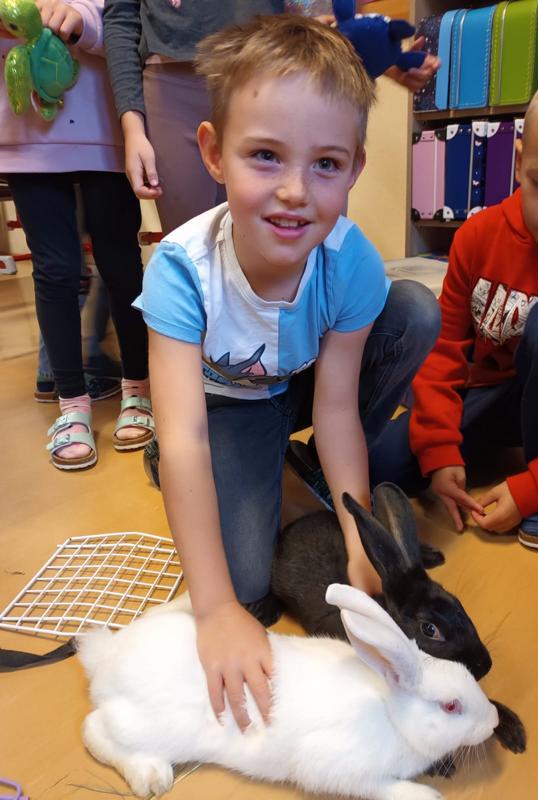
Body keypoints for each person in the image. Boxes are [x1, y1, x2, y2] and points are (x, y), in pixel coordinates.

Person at [135, 15, 440, 730]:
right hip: (219, 409)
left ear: (355, 168)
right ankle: (247, 466)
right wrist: (214, 609)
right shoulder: (181, 271)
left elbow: (335, 409)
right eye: (266, 156)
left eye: (325, 164)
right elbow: (185, 437)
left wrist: (359, 537)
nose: (296, 191)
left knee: (413, 310)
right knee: (244, 586)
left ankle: (294, 470)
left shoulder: (350, 261)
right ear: (214, 153)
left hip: (297, 388)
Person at [371, 43, 538, 553]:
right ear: (519, 162)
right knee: (382, 465)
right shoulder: (479, 236)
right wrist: (439, 450)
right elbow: (444, 351)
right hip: (498, 394)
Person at [103, 0, 439, 234]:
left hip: (285, 75)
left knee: (309, 253)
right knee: (197, 258)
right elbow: (122, 17)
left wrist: (380, 56)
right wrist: (132, 125)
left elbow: (330, 16)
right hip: (176, 85)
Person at [0, 0, 153, 470]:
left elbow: (130, 34)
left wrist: (84, 22)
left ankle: (138, 387)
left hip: (107, 131)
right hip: (26, 139)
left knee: (121, 266)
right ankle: (71, 404)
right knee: (55, 271)